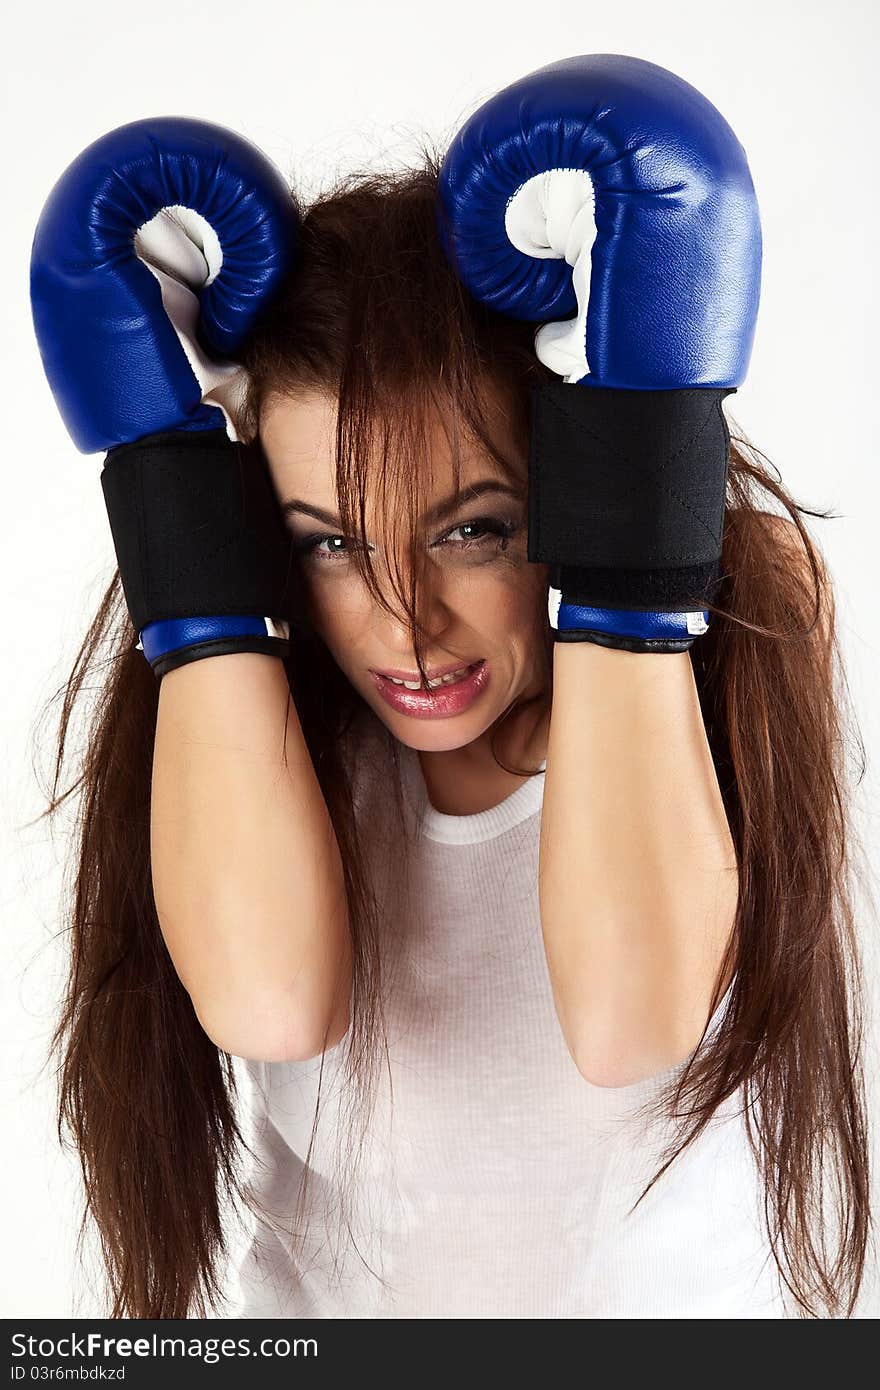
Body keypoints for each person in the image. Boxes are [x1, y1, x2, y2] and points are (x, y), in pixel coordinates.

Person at [29, 57, 870, 1321]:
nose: (404, 625)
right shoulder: (277, 734)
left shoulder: (730, 658)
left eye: (470, 528)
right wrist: (173, 502)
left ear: (563, 479)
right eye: (327, 542)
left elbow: (630, 1025)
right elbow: (269, 1004)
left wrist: (637, 511)